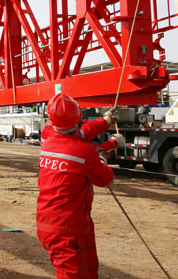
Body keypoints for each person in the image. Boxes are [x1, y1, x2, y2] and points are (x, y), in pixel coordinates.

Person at [37, 93, 124, 279]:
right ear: (79, 120)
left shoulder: (47, 138)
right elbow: (106, 179)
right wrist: (107, 150)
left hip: (51, 224)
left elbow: (79, 137)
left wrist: (105, 121)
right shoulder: (84, 152)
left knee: (89, 270)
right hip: (69, 230)